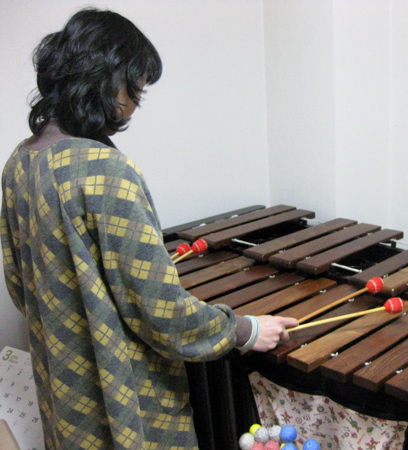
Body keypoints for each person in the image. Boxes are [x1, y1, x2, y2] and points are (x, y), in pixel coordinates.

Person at [1, 8, 298, 449]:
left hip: (62, 392)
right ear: (104, 80)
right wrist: (245, 330)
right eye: (135, 88)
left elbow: (19, 285)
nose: (135, 104)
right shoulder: (104, 170)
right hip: (123, 396)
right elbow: (161, 313)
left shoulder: (20, 162)